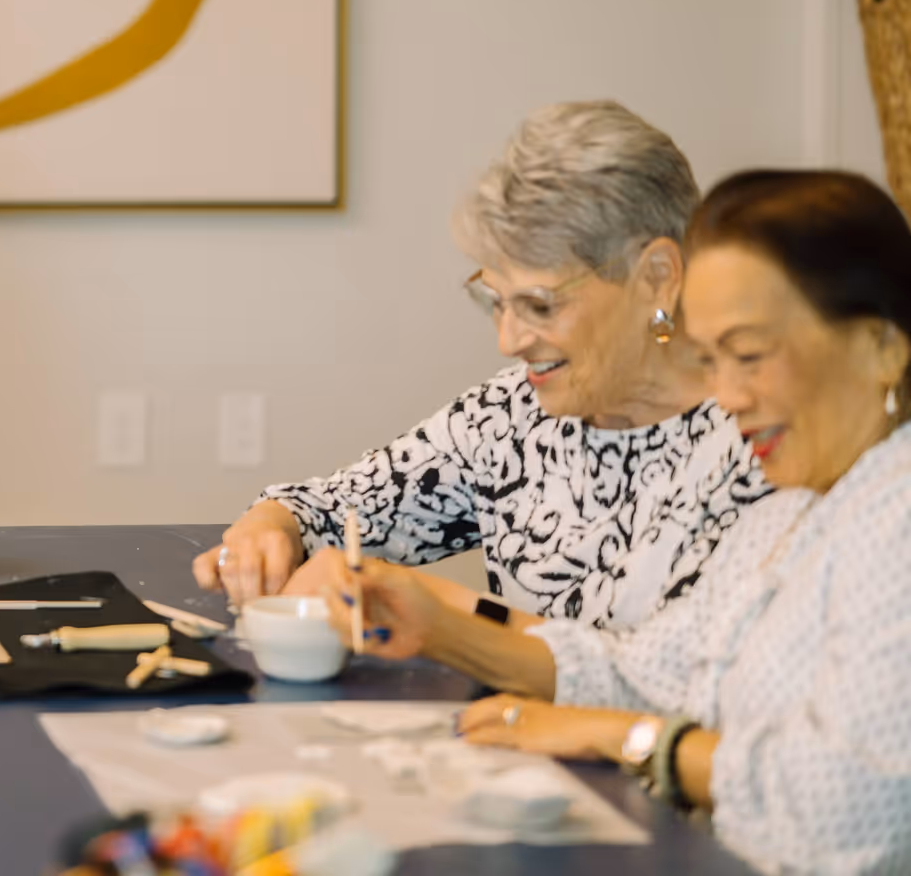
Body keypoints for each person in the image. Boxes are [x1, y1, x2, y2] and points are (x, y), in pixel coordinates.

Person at [319, 169, 911, 874]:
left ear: (883, 347)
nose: (726, 395)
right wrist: (440, 628)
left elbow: (853, 802)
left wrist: (622, 739)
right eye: (713, 360)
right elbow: (645, 671)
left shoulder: (895, 517)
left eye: (750, 356)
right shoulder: (791, 513)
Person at [195, 102, 767, 628]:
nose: (508, 340)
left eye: (540, 305)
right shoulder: (514, 414)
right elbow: (337, 509)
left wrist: (448, 613)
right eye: (496, 300)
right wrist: (273, 524)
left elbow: (676, 678)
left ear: (658, 279)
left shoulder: (764, 440)